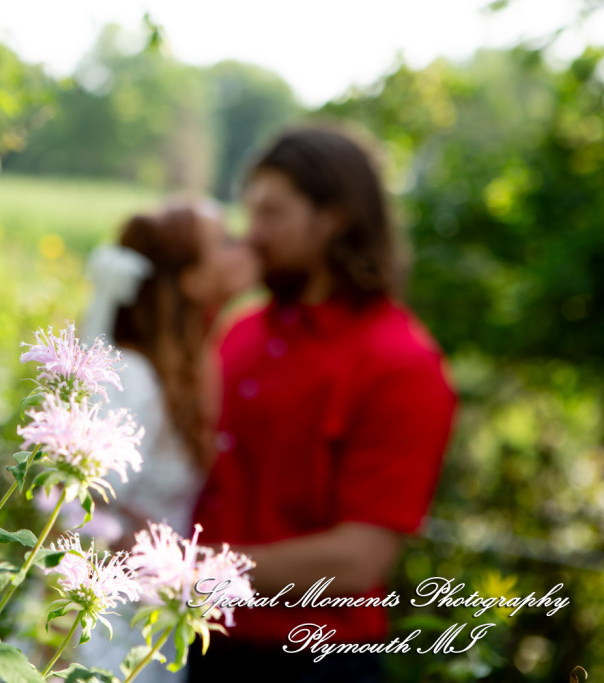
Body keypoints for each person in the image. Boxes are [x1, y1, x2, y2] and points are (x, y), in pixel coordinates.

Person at [190, 125, 457, 682]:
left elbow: (359, 560)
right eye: (251, 213)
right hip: (201, 643)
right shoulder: (240, 333)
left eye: (272, 214)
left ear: (333, 218)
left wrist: (187, 570)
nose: (253, 234)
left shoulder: (400, 364)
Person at [74, 200, 258, 682]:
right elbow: (70, 503)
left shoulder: (189, 362)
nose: (248, 244)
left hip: (153, 627)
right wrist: (128, 540)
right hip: (100, 631)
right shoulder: (133, 378)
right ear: (194, 280)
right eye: (227, 240)